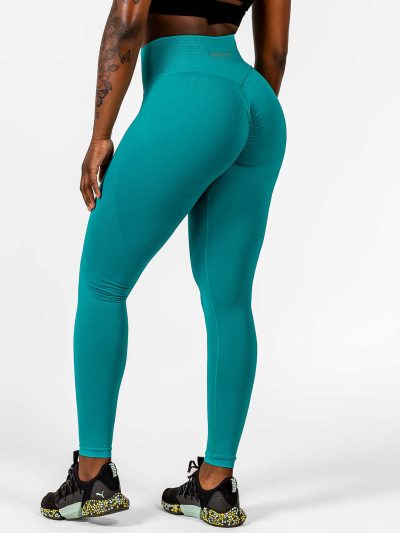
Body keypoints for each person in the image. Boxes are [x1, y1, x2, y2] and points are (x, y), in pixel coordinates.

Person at [40, 0, 290, 526]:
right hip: (257, 103)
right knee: (228, 299)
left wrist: (101, 135)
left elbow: (127, 21)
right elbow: (273, 53)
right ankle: (216, 486)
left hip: (189, 93)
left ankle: (91, 477)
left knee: (103, 283)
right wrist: (232, 128)